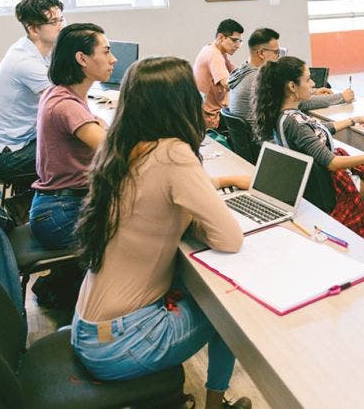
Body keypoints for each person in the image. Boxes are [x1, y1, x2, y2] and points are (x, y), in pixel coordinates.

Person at [73, 56, 252, 409]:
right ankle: (216, 404)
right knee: (229, 308)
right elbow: (230, 239)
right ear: (180, 102)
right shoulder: (173, 152)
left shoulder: (121, 146)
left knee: (197, 286)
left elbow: (155, 199)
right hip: (121, 343)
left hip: (90, 329)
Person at [252, 56, 364, 241]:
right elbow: (333, 163)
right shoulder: (295, 123)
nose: (312, 84)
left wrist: (354, 120)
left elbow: (315, 132)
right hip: (332, 191)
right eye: (307, 79)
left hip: (315, 186)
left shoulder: (284, 116)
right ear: (292, 87)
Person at [28, 23, 114, 307]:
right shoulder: (66, 105)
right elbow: (114, 152)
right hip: (61, 214)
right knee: (143, 224)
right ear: (82, 59)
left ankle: (66, 284)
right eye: (106, 51)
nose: (113, 59)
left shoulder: (61, 94)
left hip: (53, 207)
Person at [0, 0, 65, 183]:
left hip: (25, 139)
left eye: (61, 19)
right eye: (53, 22)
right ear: (33, 29)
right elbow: (61, 104)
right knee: (82, 148)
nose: (61, 25)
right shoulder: (25, 61)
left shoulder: (39, 49)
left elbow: (63, 85)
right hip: (12, 155)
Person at [228, 27, 354, 125]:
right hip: (267, 144)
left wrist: (313, 92)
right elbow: (299, 103)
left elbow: (286, 95)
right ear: (261, 53)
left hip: (254, 142)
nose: (279, 57)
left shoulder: (242, 71)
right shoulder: (258, 79)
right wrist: (341, 97)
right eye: (276, 52)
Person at [193, 18, 244, 130]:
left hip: (206, 113)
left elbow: (235, 71)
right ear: (221, 37)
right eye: (234, 40)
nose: (237, 45)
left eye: (239, 41)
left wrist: (250, 69)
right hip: (211, 119)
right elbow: (228, 84)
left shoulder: (214, 50)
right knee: (250, 119)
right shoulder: (214, 55)